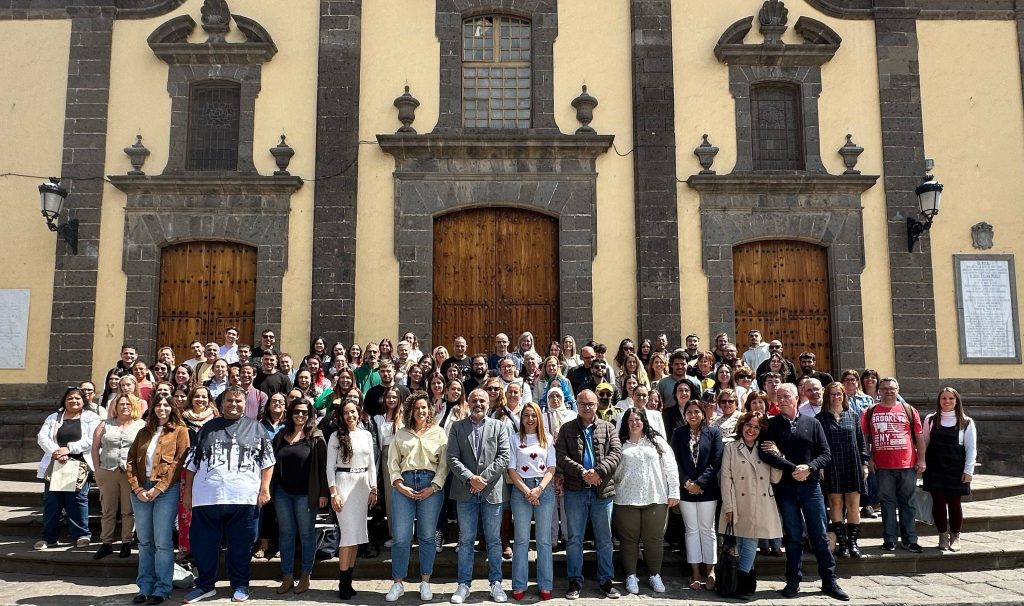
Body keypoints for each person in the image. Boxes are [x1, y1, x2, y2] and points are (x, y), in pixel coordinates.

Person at [181, 386, 275, 604]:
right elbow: (191, 466)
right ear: (221, 404)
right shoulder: (206, 429)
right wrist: (187, 495)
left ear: (245, 404)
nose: (233, 404)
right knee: (203, 545)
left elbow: (268, 463)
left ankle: (240, 584)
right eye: (229, 401)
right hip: (207, 499)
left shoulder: (256, 429)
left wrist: (264, 489)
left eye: (238, 401)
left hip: (244, 499)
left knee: (241, 546)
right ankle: (205, 585)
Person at [759, 383, 848, 601]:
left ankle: (829, 580)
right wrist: (793, 468)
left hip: (811, 488)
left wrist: (809, 468)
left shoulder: (813, 423)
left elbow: (826, 454)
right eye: (778, 396)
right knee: (793, 537)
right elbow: (766, 454)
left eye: (785, 396)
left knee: (819, 535)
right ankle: (792, 581)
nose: (780, 400)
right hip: (786, 488)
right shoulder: (771, 425)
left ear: (797, 398)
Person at [446, 388, 512, 604]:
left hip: (491, 492)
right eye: (474, 400)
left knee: (494, 541)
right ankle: (463, 584)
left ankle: (496, 584)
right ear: (469, 403)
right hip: (465, 492)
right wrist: (470, 479)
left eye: (482, 400)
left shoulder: (499, 426)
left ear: (488, 402)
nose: (478, 404)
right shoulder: (457, 427)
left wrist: (481, 479)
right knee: (465, 540)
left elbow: (503, 457)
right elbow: (452, 458)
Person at [555, 389, 622, 600]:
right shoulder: (566, 429)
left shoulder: (608, 428)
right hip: (576, 491)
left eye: (591, 404)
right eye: (582, 403)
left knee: (604, 539)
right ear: (576, 405)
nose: (587, 407)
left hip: (602, 492)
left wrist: (598, 471)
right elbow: (561, 456)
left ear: (596, 405)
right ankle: (575, 581)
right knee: (574, 539)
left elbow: (616, 453)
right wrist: (583, 473)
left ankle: (606, 580)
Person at [126, 395, 190, 605]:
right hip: (140, 491)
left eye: (166, 405)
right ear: (152, 408)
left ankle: (162, 588)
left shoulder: (180, 431)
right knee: (145, 542)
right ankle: (144, 587)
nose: (161, 408)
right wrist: (136, 488)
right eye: (158, 405)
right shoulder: (142, 432)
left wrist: (159, 489)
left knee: (162, 542)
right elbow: (130, 462)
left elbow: (179, 463)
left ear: (172, 408)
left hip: (165, 491)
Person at [385, 392, 449, 602]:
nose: (421, 411)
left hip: (430, 486)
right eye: (417, 408)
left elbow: (444, 464)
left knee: (427, 536)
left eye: (424, 407)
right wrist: (399, 485)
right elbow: (392, 462)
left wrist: (434, 486)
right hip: (404, 485)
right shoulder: (401, 433)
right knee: (401, 537)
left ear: (429, 410)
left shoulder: (438, 433)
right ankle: (398, 583)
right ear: (410, 411)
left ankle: (425, 582)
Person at [613, 407, 680, 595]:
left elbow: (671, 466)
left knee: (654, 540)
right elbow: (614, 470)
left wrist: (674, 491)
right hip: (625, 498)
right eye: (631, 420)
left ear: (644, 421)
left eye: (638, 419)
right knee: (629, 540)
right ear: (626, 423)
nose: (634, 423)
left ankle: (654, 575)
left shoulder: (656, 442)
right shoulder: (619, 444)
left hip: (655, 496)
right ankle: (631, 576)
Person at [718, 410, 783, 600]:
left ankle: (744, 585)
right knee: (740, 544)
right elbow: (726, 478)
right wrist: (729, 506)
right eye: (748, 425)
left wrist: (778, 456)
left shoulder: (765, 448)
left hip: (761, 502)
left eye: (756, 427)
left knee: (749, 544)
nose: (751, 430)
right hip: (737, 501)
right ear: (742, 425)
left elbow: (776, 479)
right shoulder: (731, 447)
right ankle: (743, 584)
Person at [271, 399, 329, 595]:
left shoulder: (316, 437)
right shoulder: (280, 436)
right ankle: (287, 576)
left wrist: (323, 493)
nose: (301, 415)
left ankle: (305, 575)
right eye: (297, 411)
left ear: (310, 414)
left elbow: (323, 468)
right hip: (283, 493)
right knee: (286, 535)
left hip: (306, 494)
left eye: (305, 412)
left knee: (306, 535)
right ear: (290, 413)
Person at [35, 387, 102, 550]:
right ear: (64, 401)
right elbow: (42, 437)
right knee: (52, 501)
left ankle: (81, 535)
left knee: (77, 500)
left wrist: (69, 449)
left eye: (78, 398)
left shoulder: (91, 417)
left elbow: (92, 439)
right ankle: (49, 538)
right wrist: (57, 452)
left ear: (83, 401)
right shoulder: (54, 417)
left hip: (80, 464)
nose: (74, 401)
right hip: (55, 463)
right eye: (70, 398)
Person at [862, 377, 924, 553]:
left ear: (898, 390)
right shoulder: (870, 411)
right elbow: (865, 438)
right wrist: (868, 459)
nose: (888, 391)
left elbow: (919, 436)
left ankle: (910, 539)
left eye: (892, 388)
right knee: (887, 503)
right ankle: (889, 539)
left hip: (907, 463)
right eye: (884, 388)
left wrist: (922, 460)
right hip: (882, 465)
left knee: (908, 503)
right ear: (878, 391)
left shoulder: (909, 410)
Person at [326, 395, 377, 598]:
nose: (350, 415)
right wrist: (333, 492)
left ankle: (349, 579)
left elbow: (372, 464)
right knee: (347, 536)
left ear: (359, 413)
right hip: (343, 484)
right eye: (346, 412)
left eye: (353, 411)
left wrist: (374, 488)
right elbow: (329, 466)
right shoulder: (335, 437)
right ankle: (343, 582)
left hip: (362, 485)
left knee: (356, 536)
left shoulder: (365, 435)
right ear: (341, 415)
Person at [671, 399, 723, 590]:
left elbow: (717, 460)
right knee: (691, 530)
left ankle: (710, 571)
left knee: (707, 530)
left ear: (703, 413)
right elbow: (674, 460)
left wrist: (700, 483)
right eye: (689, 412)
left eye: (697, 412)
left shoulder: (714, 432)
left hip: (707, 490)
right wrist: (687, 483)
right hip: (686, 489)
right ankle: (695, 572)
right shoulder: (679, 433)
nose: (693, 415)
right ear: (685, 415)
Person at [507, 401, 557, 601]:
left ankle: (545, 584)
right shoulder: (514, 439)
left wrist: (539, 489)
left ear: (539, 418)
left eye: (533, 415)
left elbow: (551, 468)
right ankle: (519, 584)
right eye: (526, 415)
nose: (529, 419)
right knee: (521, 540)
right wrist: (528, 491)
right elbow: (511, 469)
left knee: (544, 540)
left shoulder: (548, 439)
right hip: (521, 490)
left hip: (543, 489)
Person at [816, 382, 869, 558]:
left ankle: (853, 543)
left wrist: (865, 463)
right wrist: (820, 465)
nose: (835, 397)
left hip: (852, 463)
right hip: (831, 464)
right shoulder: (820, 419)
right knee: (835, 504)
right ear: (827, 397)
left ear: (844, 396)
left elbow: (861, 443)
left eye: (839, 394)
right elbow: (817, 445)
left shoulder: (853, 416)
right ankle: (842, 543)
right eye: (832, 394)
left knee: (854, 504)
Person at [921, 387, 977, 552]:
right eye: (944, 398)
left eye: (951, 398)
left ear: (957, 401)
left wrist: (968, 471)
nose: (947, 401)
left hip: (956, 468)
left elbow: (971, 448)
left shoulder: (966, 422)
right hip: (935, 467)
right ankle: (942, 536)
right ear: (939, 401)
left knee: (954, 504)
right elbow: (924, 442)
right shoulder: (930, 420)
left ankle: (955, 536)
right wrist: (921, 462)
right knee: (938, 504)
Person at [90, 393, 145, 559]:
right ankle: (106, 542)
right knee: (108, 509)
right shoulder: (105, 424)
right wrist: (97, 468)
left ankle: (126, 542)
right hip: (107, 470)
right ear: (115, 406)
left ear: (134, 406)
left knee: (128, 510)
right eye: (121, 404)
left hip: (130, 473)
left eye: (128, 404)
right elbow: (95, 447)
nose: (125, 407)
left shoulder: (140, 425)